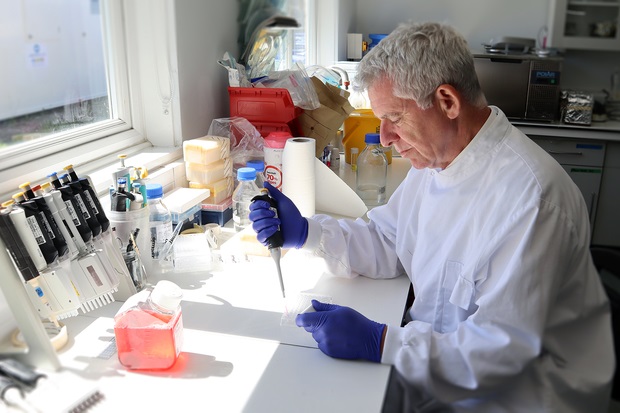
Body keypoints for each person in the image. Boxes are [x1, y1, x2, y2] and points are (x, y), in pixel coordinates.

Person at [249, 21, 614, 412]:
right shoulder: (439, 162)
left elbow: (500, 353)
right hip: (446, 368)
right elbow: (390, 240)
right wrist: (308, 232)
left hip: (522, 396)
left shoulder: (531, 201)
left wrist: (382, 342)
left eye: (395, 118)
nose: (385, 138)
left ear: (447, 102)